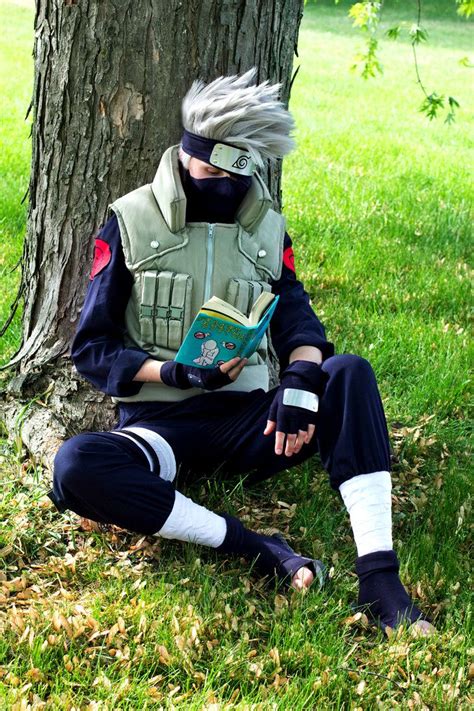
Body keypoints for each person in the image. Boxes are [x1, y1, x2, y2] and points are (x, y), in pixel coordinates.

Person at [50, 69, 432, 634]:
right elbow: (92, 346)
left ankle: (379, 579)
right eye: (209, 170)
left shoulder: (268, 230)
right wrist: (174, 371)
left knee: (349, 373)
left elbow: (301, 322)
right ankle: (254, 548)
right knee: (77, 465)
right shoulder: (129, 219)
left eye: (236, 174)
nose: (221, 185)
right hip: (162, 428)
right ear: (186, 155)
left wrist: (300, 385)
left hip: (256, 423)